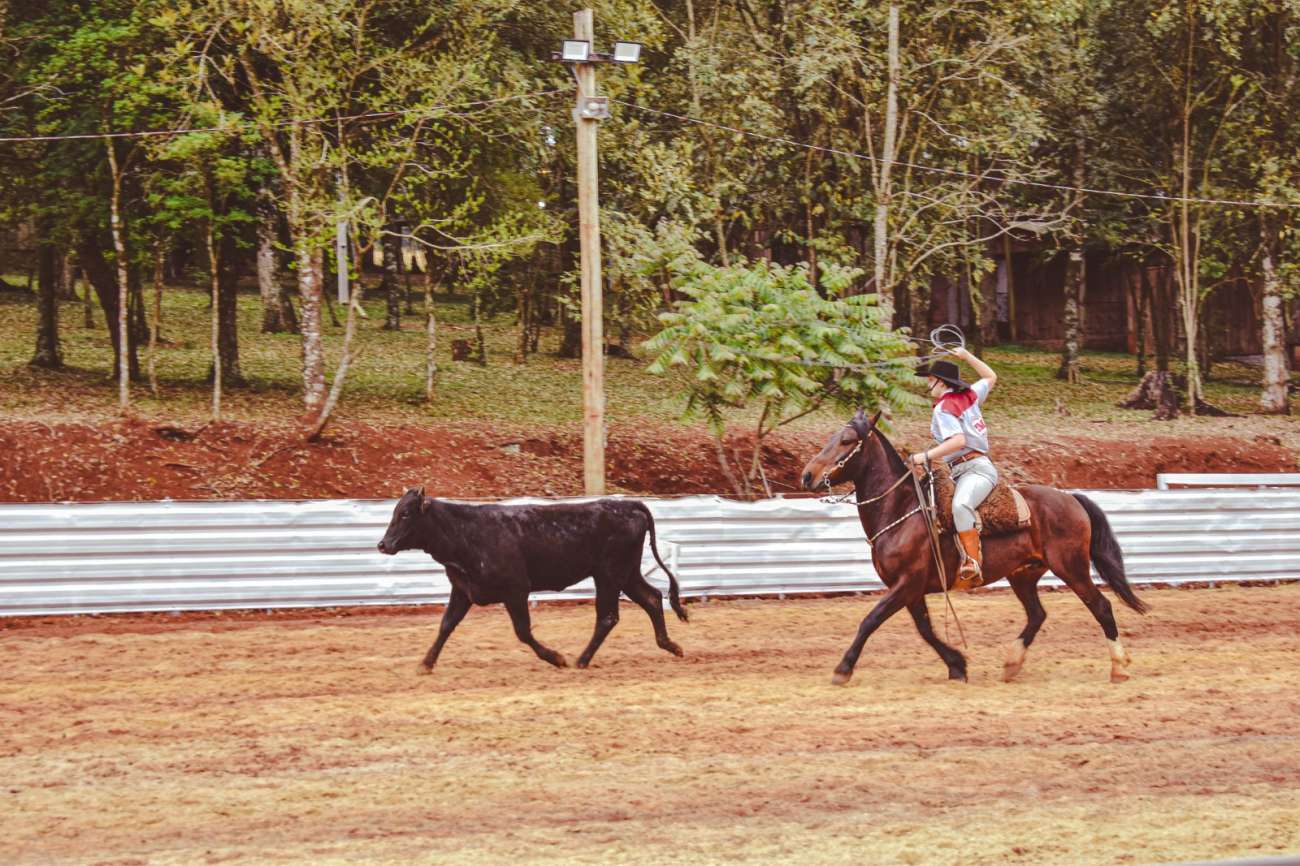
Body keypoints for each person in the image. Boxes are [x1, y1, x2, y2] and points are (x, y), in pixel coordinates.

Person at [909, 347, 999, 591]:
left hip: (975, 469)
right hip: (961, 470)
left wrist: (924, 456)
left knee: (960, 506)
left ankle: (972, 561)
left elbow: (958, 441)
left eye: (930, 380)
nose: (928, 385)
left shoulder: (944, 407)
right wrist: (967, 356)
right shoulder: (970, 394)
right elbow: (991, 376)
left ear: (941, 382)